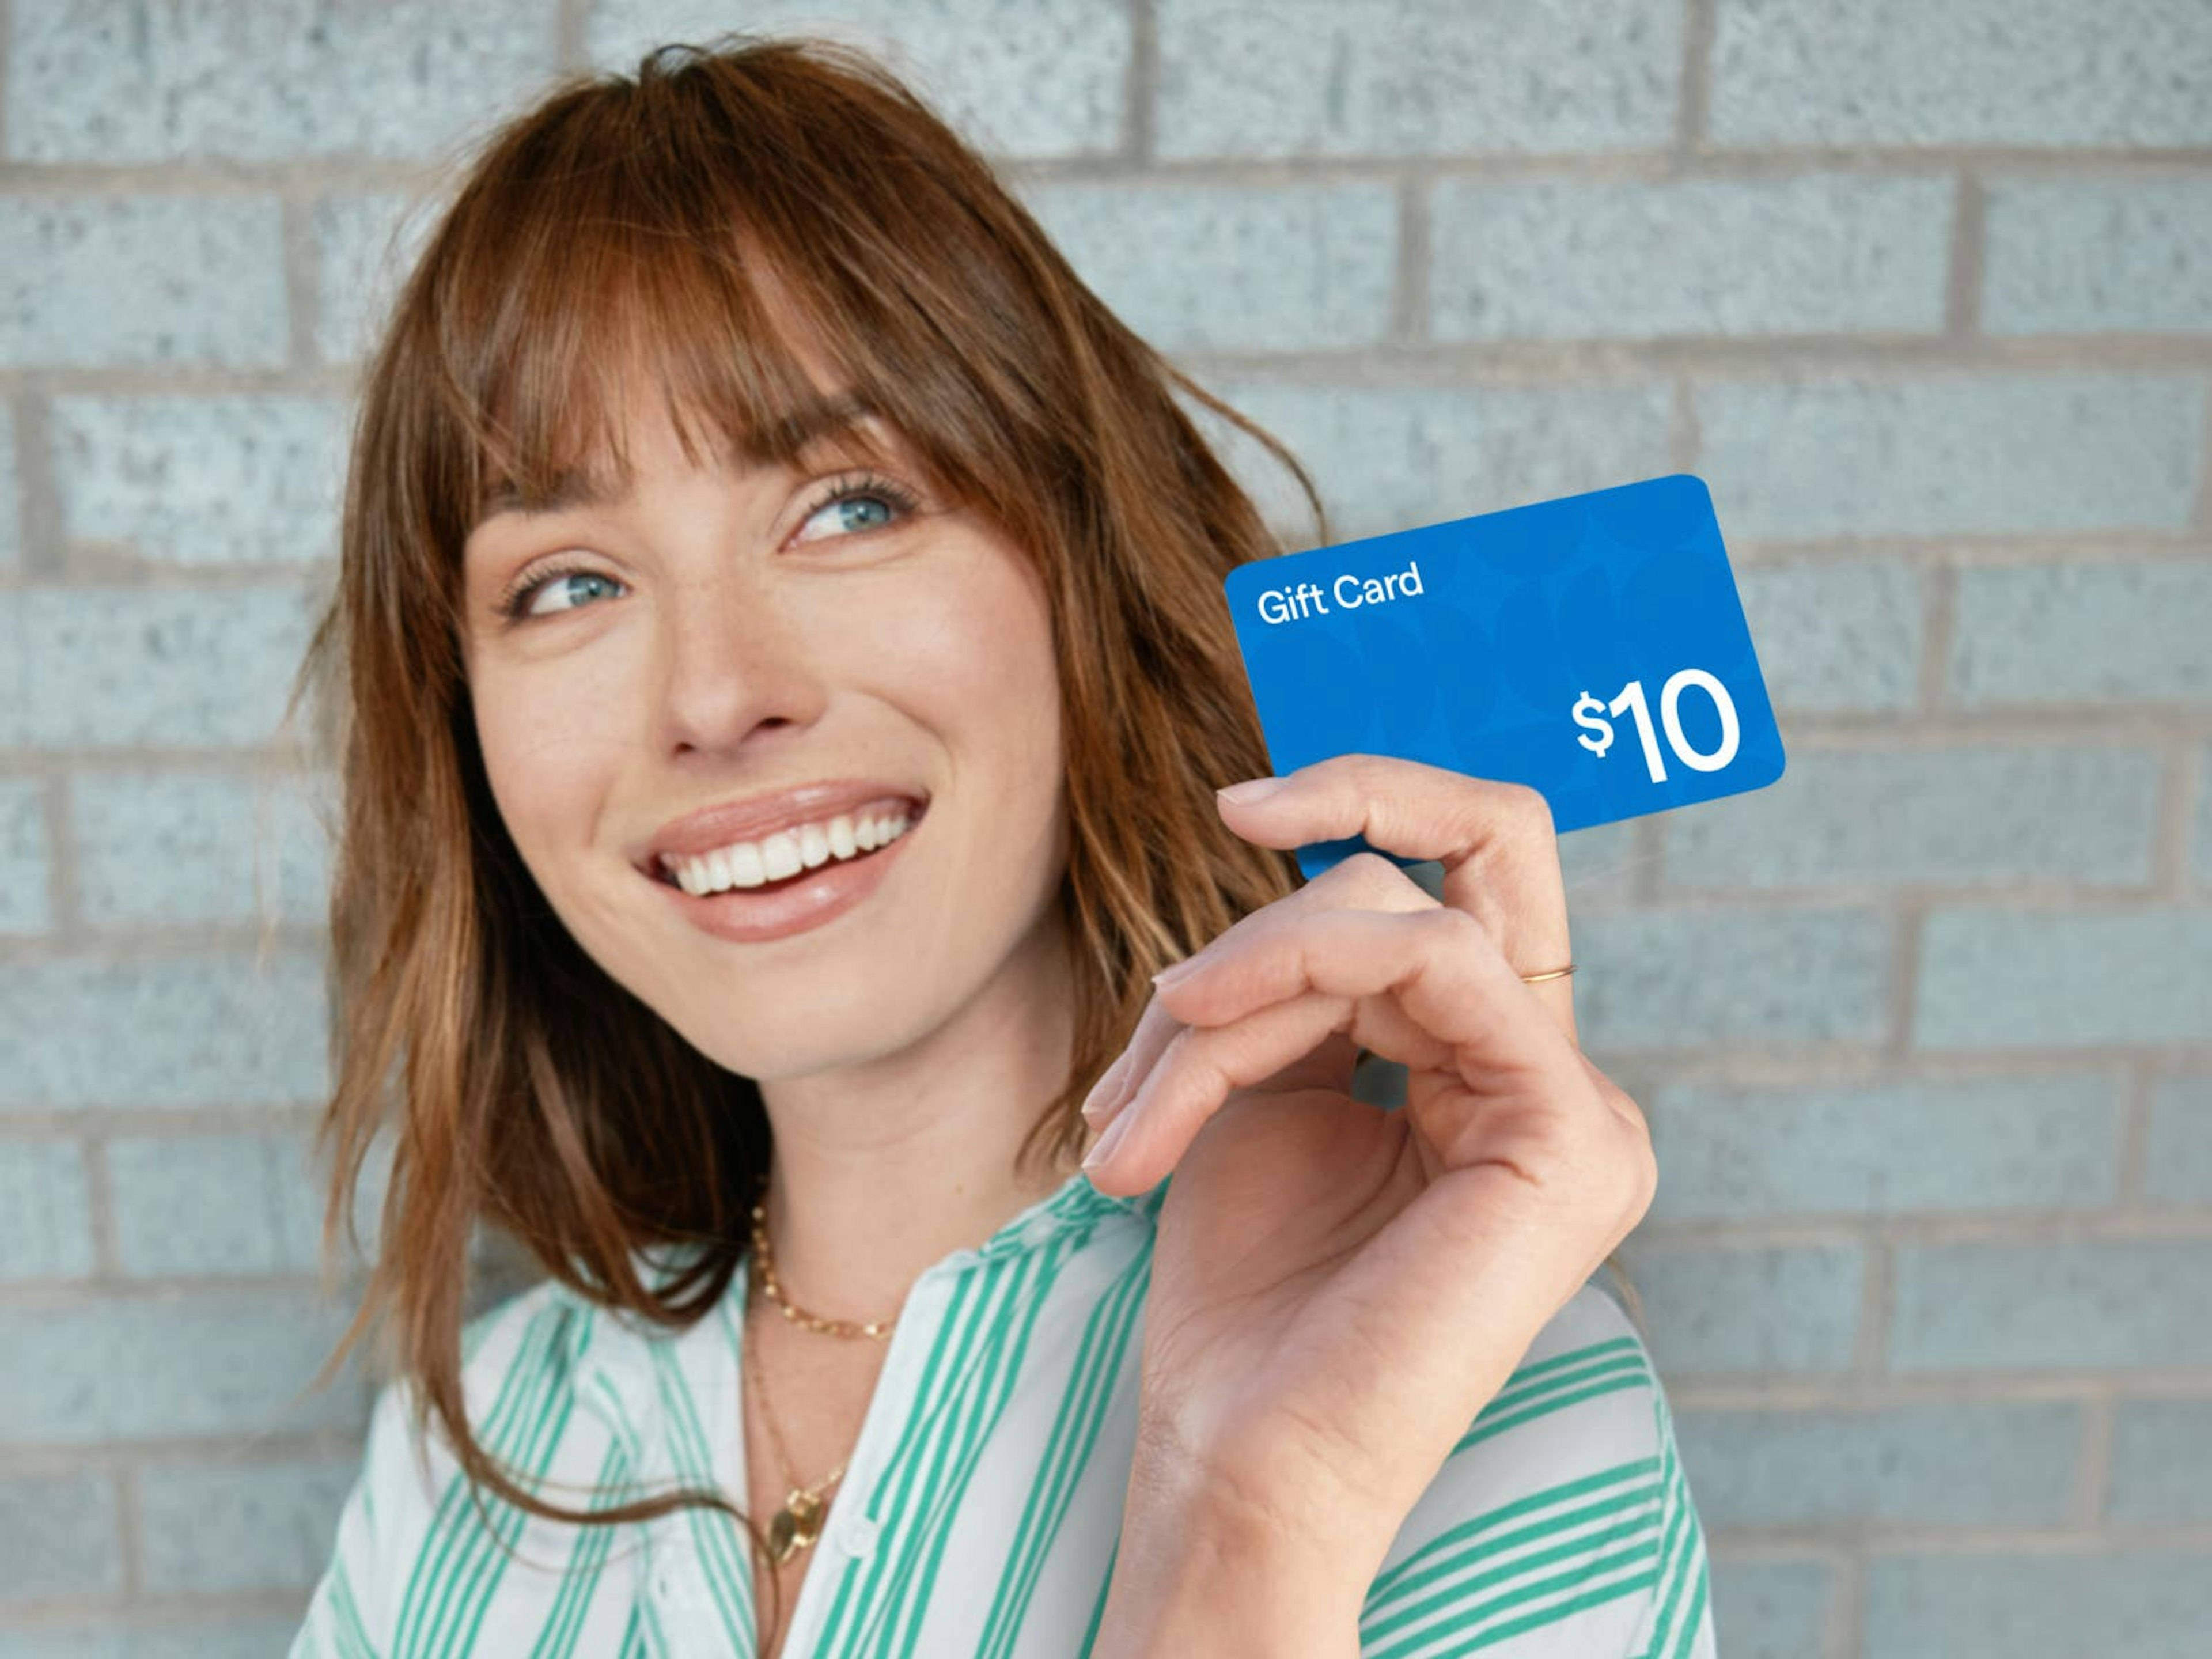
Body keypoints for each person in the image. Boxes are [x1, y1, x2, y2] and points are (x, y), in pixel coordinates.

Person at [286, 31, 1718, 1658]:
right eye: (567, 583)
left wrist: (1266, 1522)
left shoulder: (1470, 1393)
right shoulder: (468, 1447)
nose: (715, 693)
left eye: (848, 506)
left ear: (1083, 574)